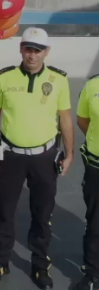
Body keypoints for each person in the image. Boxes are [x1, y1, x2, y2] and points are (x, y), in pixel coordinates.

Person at [0, 28, 74, 290]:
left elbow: (66, 119)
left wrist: (69, 154)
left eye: (37, 50)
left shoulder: (59, 80)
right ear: (21, 48)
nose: (32, 54)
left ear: (46, 52)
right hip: (10, 156)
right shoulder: (5, 78)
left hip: (44, 158)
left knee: (42, 215)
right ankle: (0, 260)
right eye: (27, 48)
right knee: (4, 213)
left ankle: (39, 266)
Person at [76, 72, 99, 290]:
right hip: (96, 168)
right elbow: (82, 120)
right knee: (95, 224)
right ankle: (92, 273)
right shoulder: (92, 86)